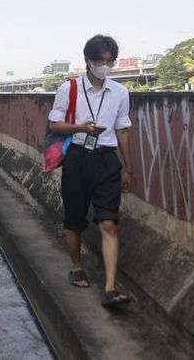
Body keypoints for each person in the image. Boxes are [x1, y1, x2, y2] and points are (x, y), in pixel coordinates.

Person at [48, 34, 133, 308]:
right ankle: (76, 265)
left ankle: (110, 287)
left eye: (110, 61)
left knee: (109, 223)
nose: (105, 65)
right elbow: (54, 125)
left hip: (107, 160)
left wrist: (128, 167)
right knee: (74, 219)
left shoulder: (120, 93)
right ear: (87, 60)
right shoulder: (69, 89)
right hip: (77, 157)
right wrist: (80, 128)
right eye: (100, 60)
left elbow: (122, 129)